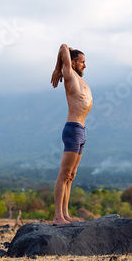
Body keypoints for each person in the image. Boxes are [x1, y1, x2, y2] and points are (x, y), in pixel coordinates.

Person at [50, 44, 93, 225]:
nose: (85, 65)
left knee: (71, 175)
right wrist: (57, 68)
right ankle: (58, 216)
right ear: (73, 63)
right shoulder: (69, 75)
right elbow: (63, 47)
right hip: (73, 129)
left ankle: (65, 214)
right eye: (82, 62)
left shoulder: (80, 79)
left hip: (81, 130)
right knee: (64, 173)